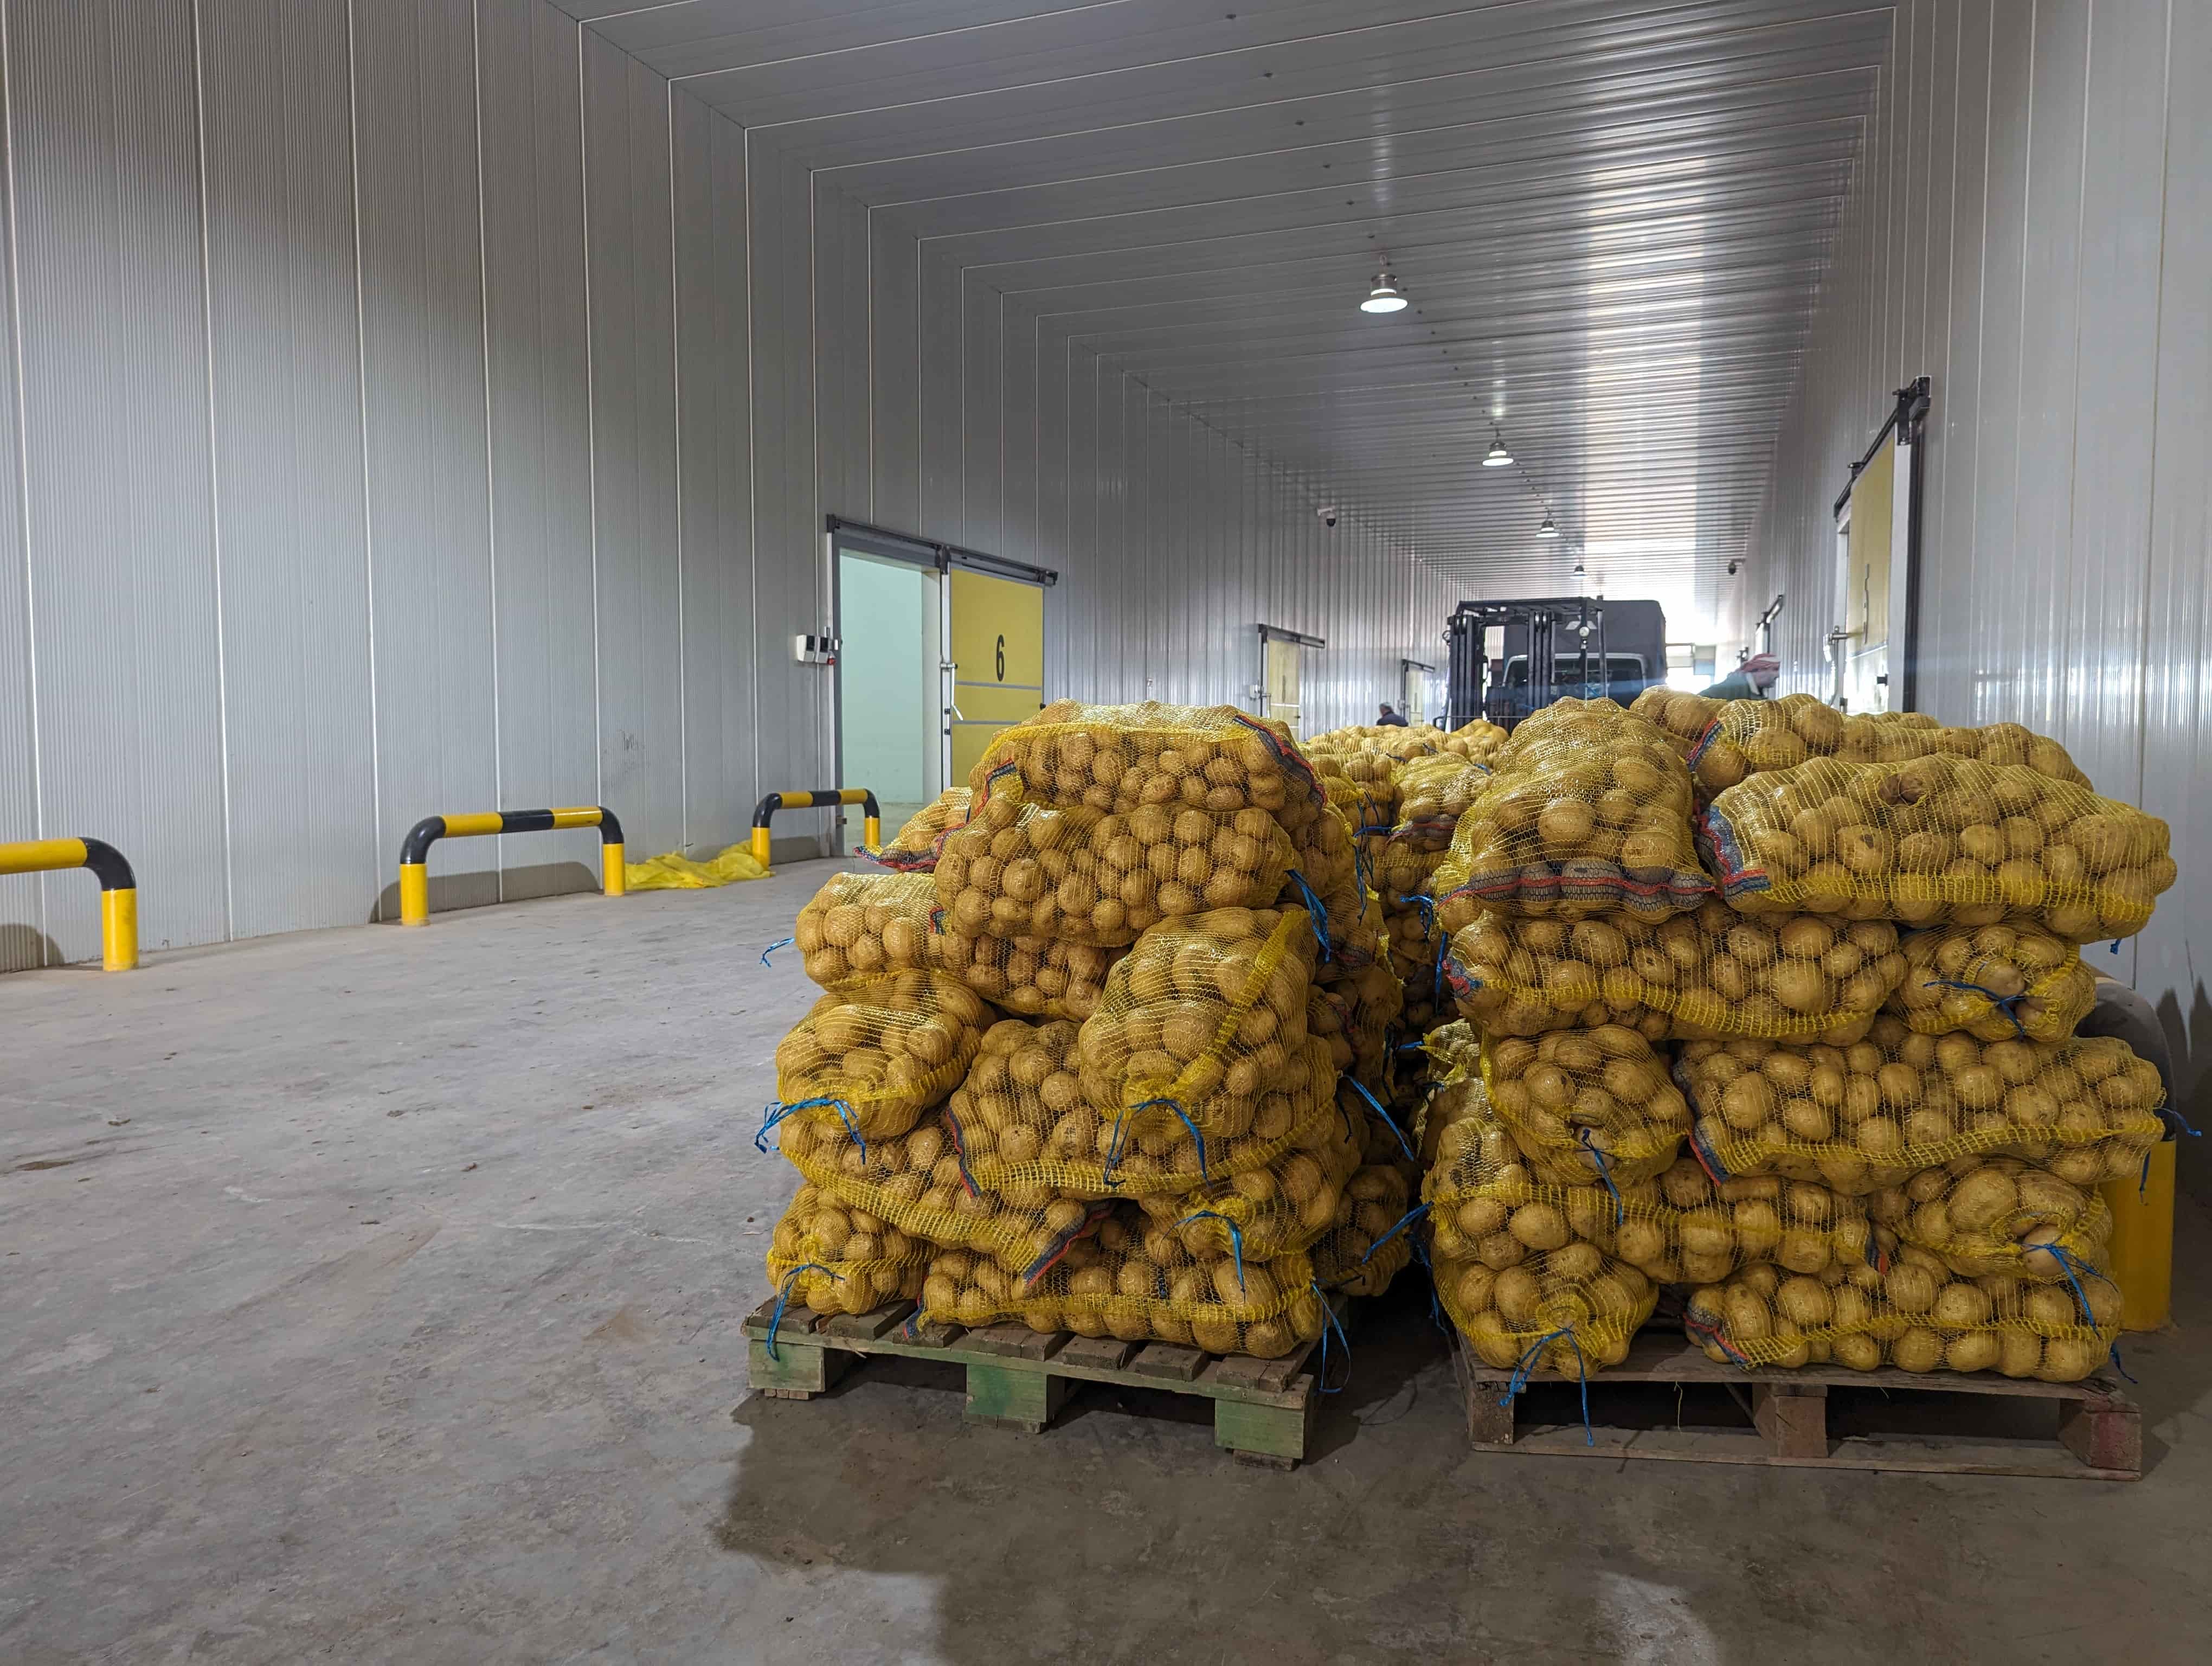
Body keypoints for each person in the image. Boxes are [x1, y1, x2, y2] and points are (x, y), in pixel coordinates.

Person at [1699, 651, 1779, 701]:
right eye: (1775, 669)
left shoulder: (1757, 691)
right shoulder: (1735, 687)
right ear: (1760, 670)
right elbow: (1699, 700)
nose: (1777, 675)